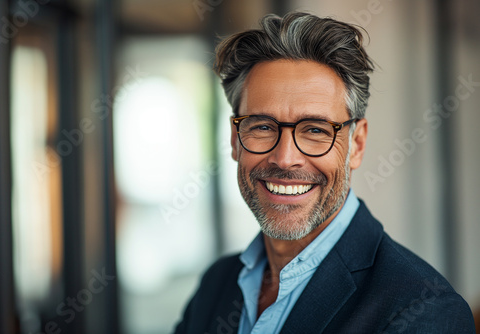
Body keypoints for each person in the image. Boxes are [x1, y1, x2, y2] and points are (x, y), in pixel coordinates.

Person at [174, 12, 476, 334]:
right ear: (236, 141)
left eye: (315, 130)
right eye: (262, 126)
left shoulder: (422, 311)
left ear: (356, 145)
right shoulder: (217, 283)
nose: (285, 158)